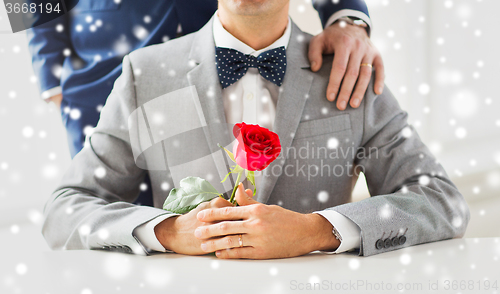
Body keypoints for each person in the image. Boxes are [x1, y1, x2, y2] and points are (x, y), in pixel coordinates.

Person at [41, 0, 469, 258]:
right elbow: (66, 209)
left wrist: (317, 231)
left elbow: (441, 201)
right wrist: (169, 232)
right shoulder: (142, 76)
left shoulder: (348, 75)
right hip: (94, 75)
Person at [27, 0, 383, 159]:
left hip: (224, 64)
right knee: (114, 227)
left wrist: (345, 15)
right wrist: (52, 80)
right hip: (102, 75)